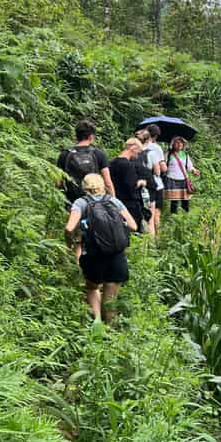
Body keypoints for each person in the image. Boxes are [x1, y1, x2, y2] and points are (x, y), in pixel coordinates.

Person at [65, 174, 138, 322]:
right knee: (110, 298)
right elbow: (133, 226)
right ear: (102, 185)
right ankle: (110, 330)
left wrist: (70, 242)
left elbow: (69, 228)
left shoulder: (80, 203)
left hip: (93, 255)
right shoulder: (114, 201)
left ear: (84, 187)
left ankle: (96, 322)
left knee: (92, 287)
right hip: (116, 255)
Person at [57, 120, 115, 258]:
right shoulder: (98, 154)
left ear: (76, 135)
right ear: (91, 137)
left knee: (75, 233)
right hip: (95, 201)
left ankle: (74, 262)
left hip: (72, 201)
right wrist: (113, 199)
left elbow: (59, 182)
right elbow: (107, 181)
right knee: (93, 233)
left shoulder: (65, 155)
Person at [109, 138, 148, 232]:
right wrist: (140, 183)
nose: (137, 155)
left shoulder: (112, 163)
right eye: (138, 152)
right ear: (133, 148)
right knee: (134, 231)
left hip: (116, 201)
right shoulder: (128, 165)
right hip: (129, 205)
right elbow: (131, 186)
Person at [136, 125, 166, 234]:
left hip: (139, 185)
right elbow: (160, 170)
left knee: (142, 214)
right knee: (154, 215)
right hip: (155, 185)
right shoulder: (155, 149)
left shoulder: (133, 150)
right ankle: (156, 240)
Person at [164, 136, 200, 214]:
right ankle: (174, 218)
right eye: (177, 142)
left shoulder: (185, 155)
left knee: (185, 200)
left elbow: (189, 167)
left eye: (181, 142)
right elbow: (163, 165)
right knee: (174, 201)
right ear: (173, 144)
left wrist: (194, 170)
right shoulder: (168, 154)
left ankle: (185, 217)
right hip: (172, 179)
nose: (179, 144)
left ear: (183, 144)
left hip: (184, 180)